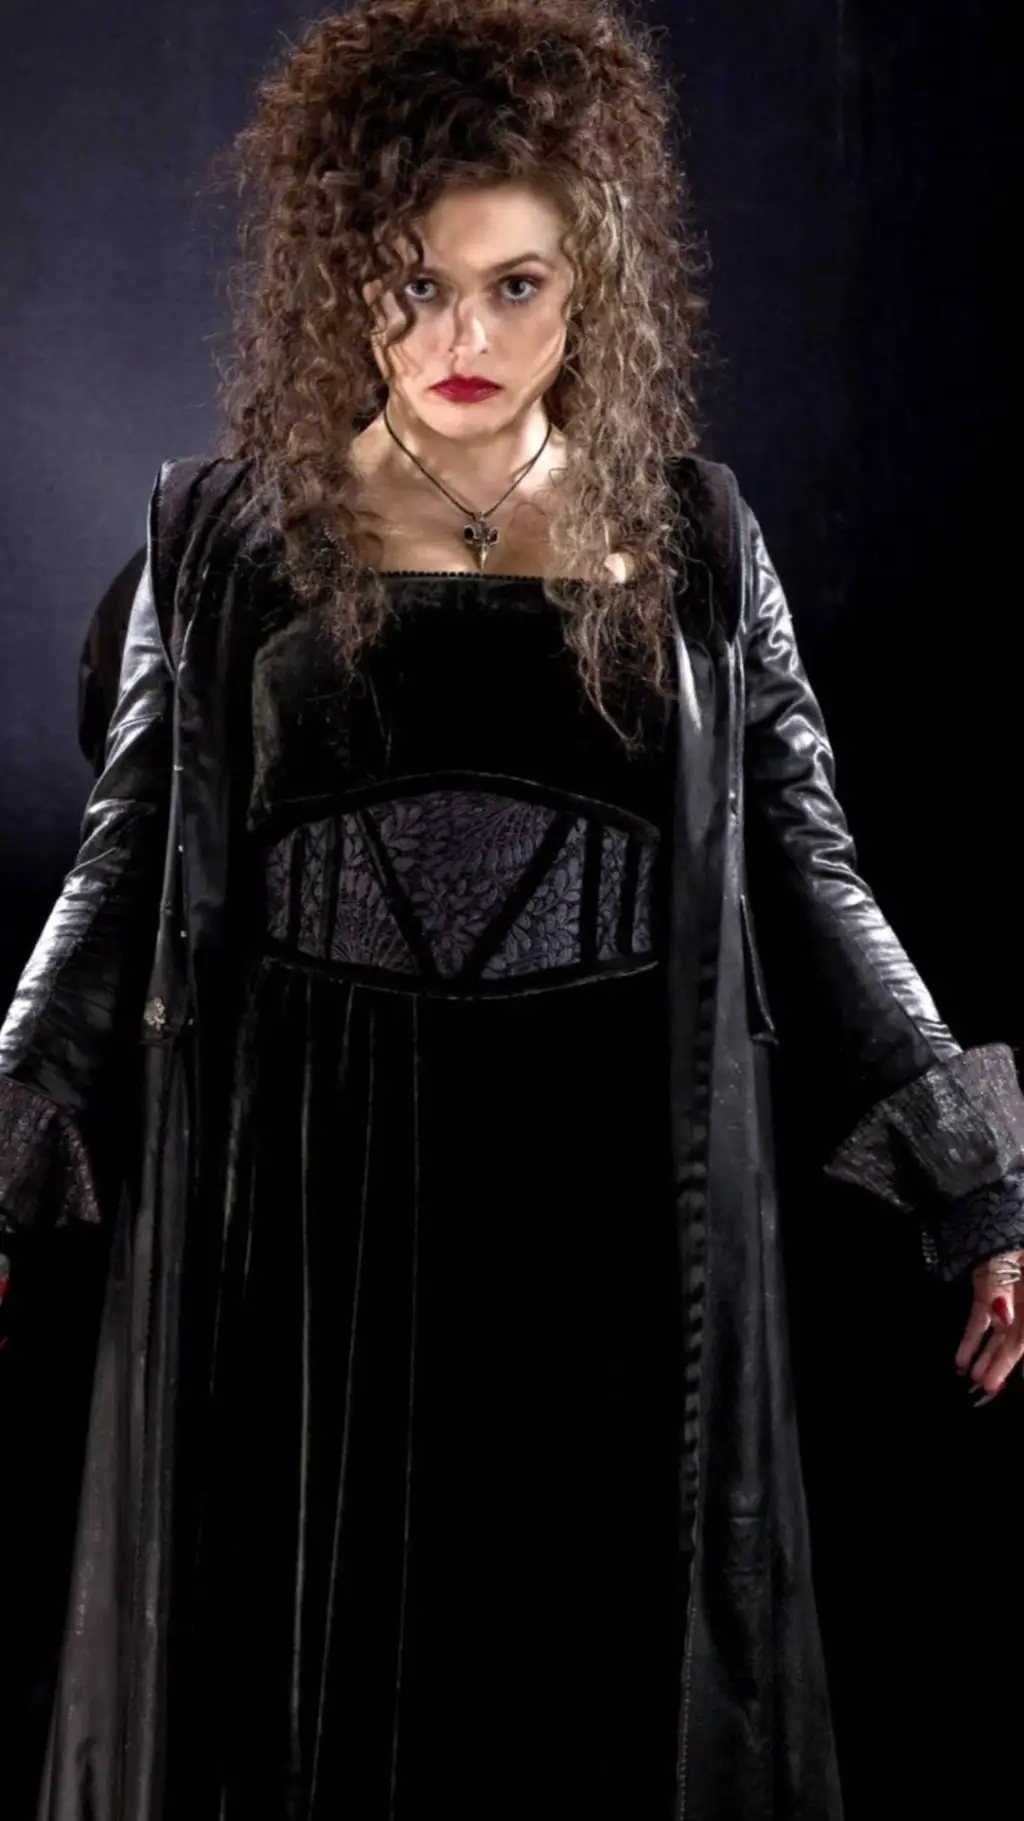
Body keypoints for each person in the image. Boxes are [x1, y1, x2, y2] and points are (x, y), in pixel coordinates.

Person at [1, 2, 1022, 1817]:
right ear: (346, 277)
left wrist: (977, 1183)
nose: (459, 341)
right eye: (414, 286)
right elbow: (118, 862)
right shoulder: (220, 540)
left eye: (514, 286)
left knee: (591, 1691)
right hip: (317, 1195)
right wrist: (8, 1145)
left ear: (592, 285)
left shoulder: (699, 545)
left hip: (606, 1184)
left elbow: (811, 867)